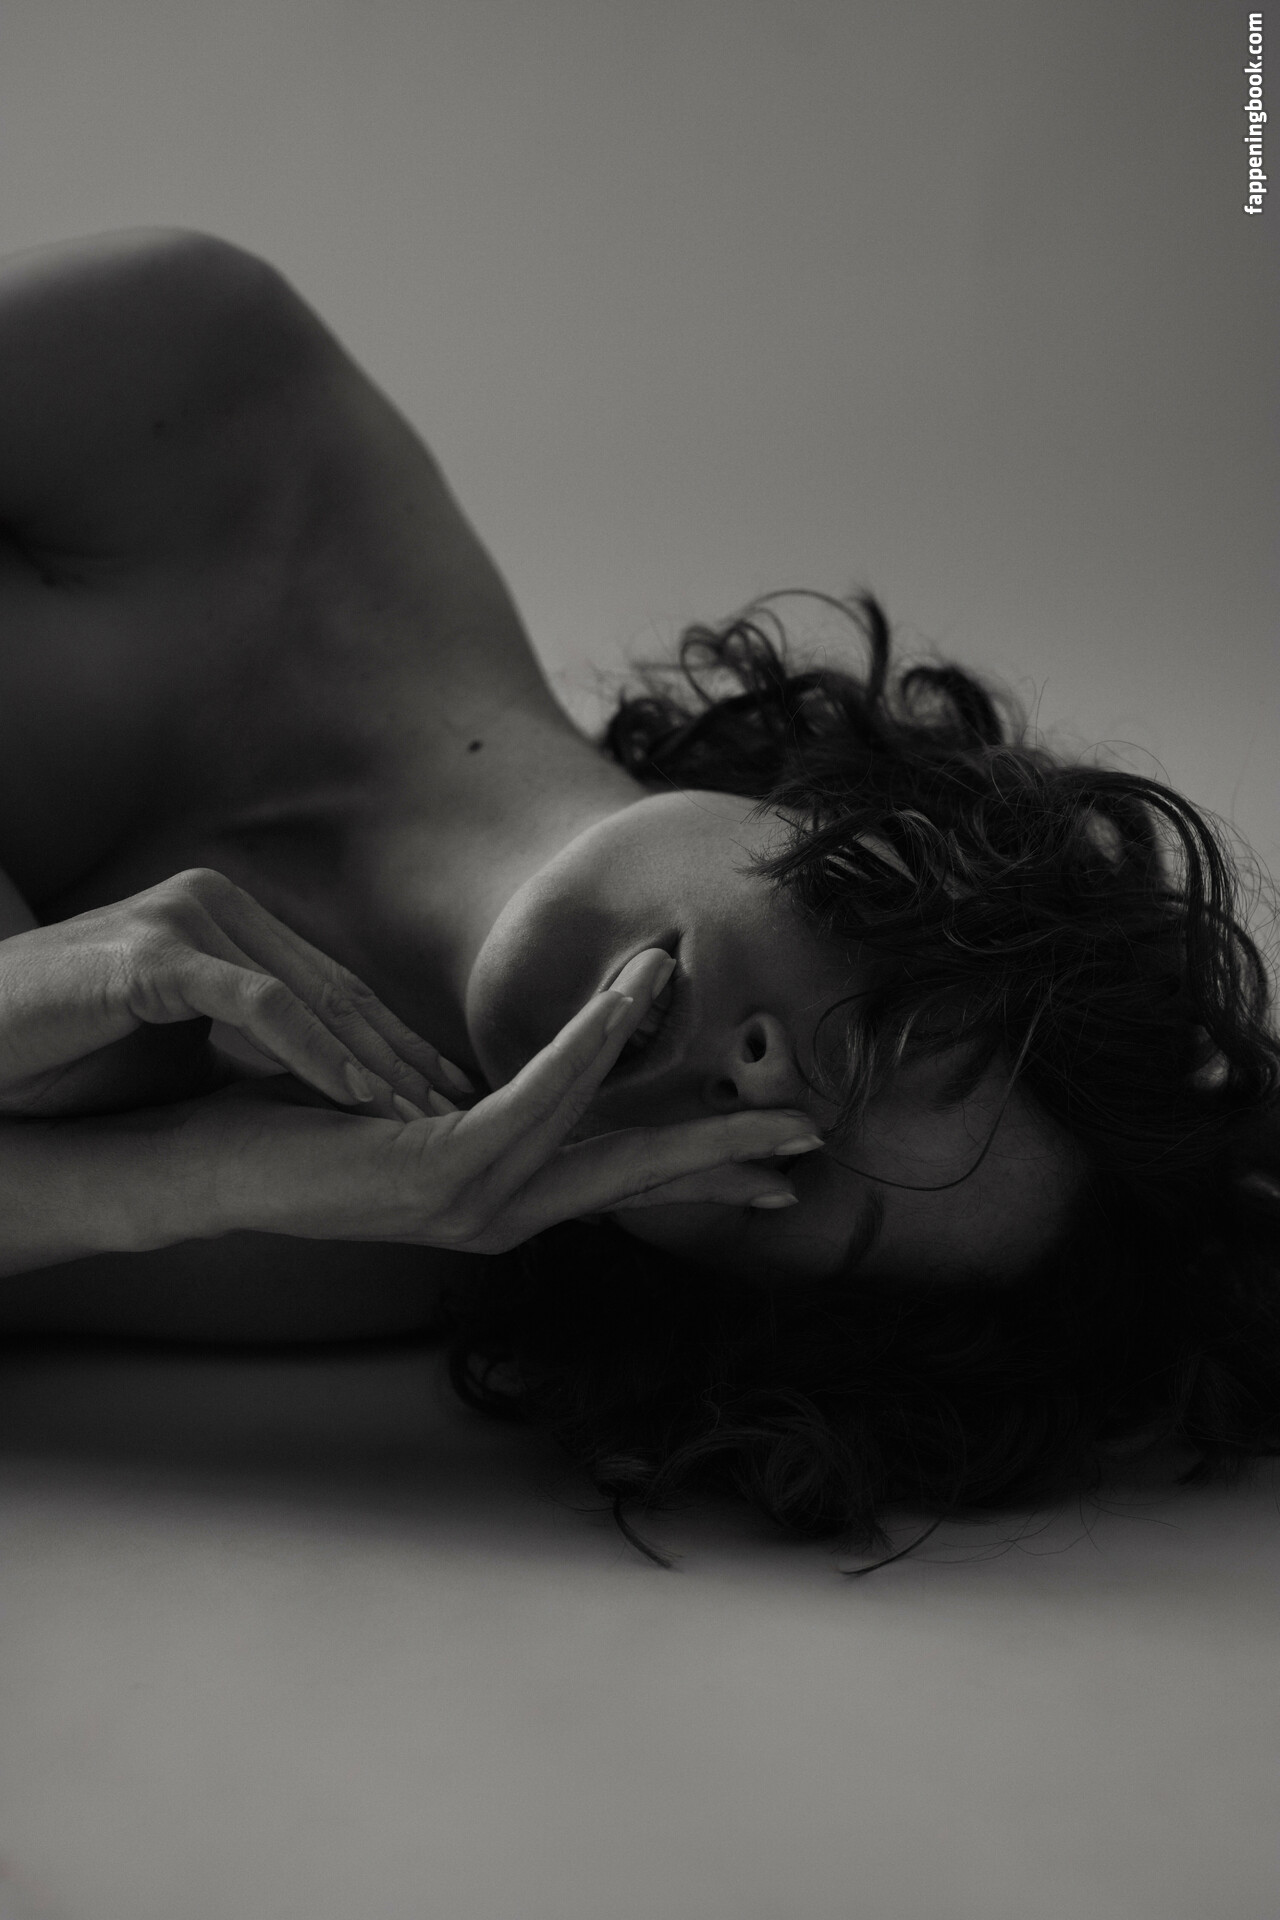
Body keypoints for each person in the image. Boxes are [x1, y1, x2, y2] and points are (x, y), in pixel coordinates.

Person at [0, 228, 1276, 1566]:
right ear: (881, 829)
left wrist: (175, 1179)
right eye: (883, 1023)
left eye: (791, 1182)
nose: (762, 1085)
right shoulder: (226, 388)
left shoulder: (356, 1222)